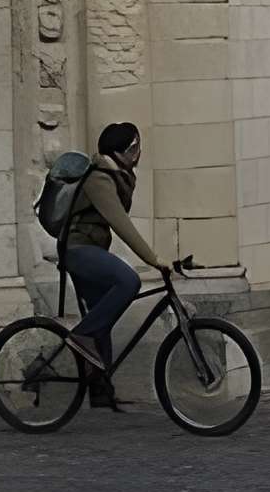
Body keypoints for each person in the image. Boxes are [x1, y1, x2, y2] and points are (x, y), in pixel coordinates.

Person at [56, 121, 188, 409]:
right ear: (125, 151)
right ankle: (79, 336)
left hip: (90, 250)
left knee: (102, 318)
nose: (140, 152)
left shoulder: (120, 176)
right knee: (129, 282)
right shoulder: (99, 179)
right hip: (78, 251)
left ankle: (101, 391)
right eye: (136, 146)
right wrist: (154, 260)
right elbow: (122, 225)